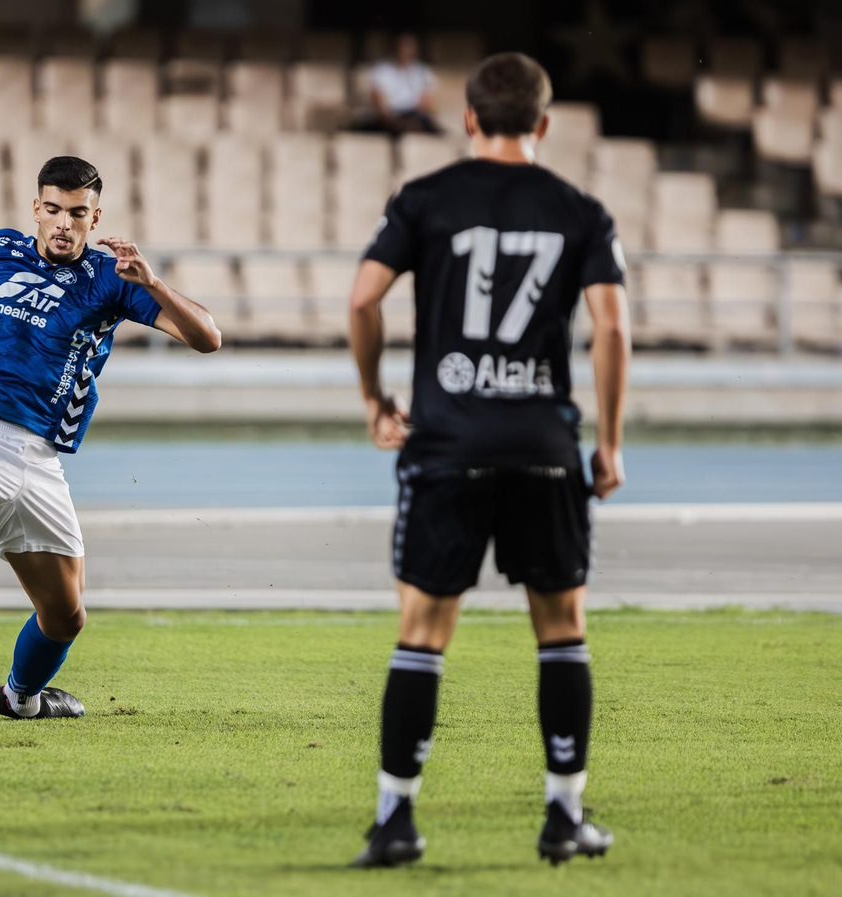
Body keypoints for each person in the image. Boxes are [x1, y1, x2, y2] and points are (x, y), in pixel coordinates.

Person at [346, 53, 631, 867]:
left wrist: (374, 398)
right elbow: (611, 328)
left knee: (423, 630)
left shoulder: (426, 199)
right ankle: (564, 813)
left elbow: (364, 298)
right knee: (562, 628)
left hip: (446, 444)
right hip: (543, 448)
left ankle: (396, 817)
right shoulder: (580, 211)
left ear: (468, 118)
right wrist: (606, 441)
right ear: (544, 125)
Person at [0, 156, 220, 727]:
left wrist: (152, 281)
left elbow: (208, 337)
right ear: (37, 208)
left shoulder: (112, 280)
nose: (63, 223)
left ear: (95, 216)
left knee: (65, 617)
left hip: (39, 456)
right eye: (53, 210)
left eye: (77, 214)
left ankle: (19, 697)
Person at [360, 33, 442, 135]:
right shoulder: (381, 70)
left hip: (413, 115)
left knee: (427, 124)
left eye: (410, 46)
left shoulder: (423, 72)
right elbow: (379, 103)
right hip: (390, 116)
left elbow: (427, 103)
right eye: (403, 46)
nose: (407, 50)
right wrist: (390, 118)